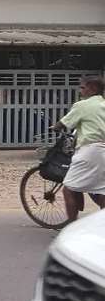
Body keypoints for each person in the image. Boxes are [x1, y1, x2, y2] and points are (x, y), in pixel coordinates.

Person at [55, 76, 105, 223]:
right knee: (102, 189)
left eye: (83, 87)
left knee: (68, 188)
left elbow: (62, 124)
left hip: (91, 151)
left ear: (93, 89)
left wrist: (55, 127)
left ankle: (72, 226)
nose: (80, 90)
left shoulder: (82, 105)